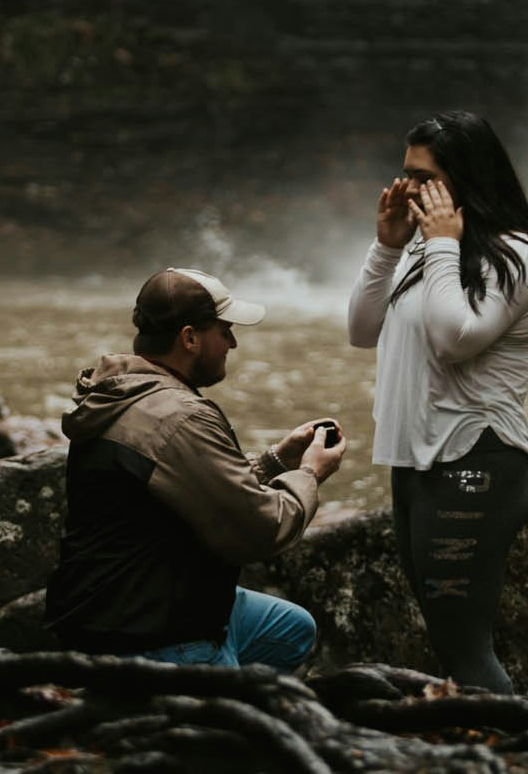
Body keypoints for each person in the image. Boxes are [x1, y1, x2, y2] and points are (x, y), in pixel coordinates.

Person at [347, 110, 528, 694]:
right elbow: (362, 332)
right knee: (447, 639)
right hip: (416, 465)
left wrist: (441, 243)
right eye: (406, 173)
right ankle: (479, 753)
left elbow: (454, 339)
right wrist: (387, 247)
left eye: (424, 177)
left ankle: (519, 763)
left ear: (466, 180)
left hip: (475, 464)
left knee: (466, 648)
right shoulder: (422, 253)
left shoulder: (516, 258)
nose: (408, 188)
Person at [46, 267, 349, 667]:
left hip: (107, 607)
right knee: (245, 724)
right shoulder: (180, 415)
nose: (233, 343)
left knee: (291, 628)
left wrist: (278, 461)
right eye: (224, 331)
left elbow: (192, 489)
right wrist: (310, 473)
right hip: (155, 630)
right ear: (190, 338)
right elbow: (260, 528)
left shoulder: (120, 394)